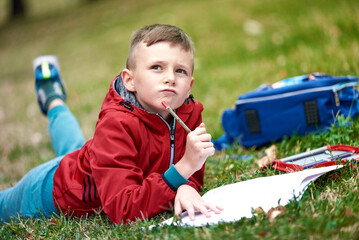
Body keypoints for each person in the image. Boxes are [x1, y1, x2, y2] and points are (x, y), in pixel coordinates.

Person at [0, 24, 222, 224]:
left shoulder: (189, 114)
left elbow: (191, 173)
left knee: (76, 148)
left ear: (190, 85)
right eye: (157, 67)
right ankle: (52, 95)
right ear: (129, 80)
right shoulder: (116, 125)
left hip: (94, 160)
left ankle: (51, 97)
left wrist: (186, 186)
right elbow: (123, 209)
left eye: (180, 71)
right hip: (52, 190)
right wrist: (183, 170)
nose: (170, 78)